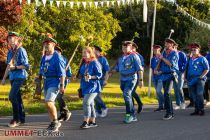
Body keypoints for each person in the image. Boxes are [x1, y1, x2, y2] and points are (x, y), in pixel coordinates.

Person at [1, 32, 29, 127]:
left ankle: (16, 119)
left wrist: (15, 67)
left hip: (20, 76)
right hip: (13, 77)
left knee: (12, 97)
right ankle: (22, 119)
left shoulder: (21, 50)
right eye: (8, 38)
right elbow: (9, 66)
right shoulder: (10, 52)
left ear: (17, 39)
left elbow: (26, 66)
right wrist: (4, 78)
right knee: (17, 98)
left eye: (12, 37)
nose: (10, 39)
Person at [112, 41, 143, 124]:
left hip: (131, 78)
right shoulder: (121, 57)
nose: (124, 48)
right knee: (128, 96)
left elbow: (139, 69)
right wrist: (111, 71)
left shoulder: (134, 56)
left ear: (130, 47)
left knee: (126, 94)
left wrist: (141, 80)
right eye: (123, 47)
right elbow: (118, 68)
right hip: (123, 79)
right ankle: (133, 115)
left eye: (126, 47)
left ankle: (130, 115)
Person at [40, 37, 66, 132]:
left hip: (55, 81)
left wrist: (62, 85)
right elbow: (42, 69)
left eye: (48, 43)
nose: (46, 45)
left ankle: (56, 121)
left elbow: (62, 72)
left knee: (49, 102)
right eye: (45, 44)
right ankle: (52, 122)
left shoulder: (57, 57)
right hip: (46, 81)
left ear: (53, 45)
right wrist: (39, 77)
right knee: (48, 104)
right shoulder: (44, 57)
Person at [155, 38, 179, 120]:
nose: (166, 44)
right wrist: (157, 70)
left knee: (166, 93)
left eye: (168, 43)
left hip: (171, 75)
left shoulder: (174, 53)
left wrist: (162, 58)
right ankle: (170, 112)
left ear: (172, 45)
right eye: (166, 43)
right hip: (163, 75)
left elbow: (170, 64)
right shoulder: (164, 52)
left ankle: (169, 113)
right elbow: (161, 64)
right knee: (166, 94)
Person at [78, 47, 102, 129]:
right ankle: (93, 122)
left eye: (85, 53)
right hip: (85, 87)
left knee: (86, 102)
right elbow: (82, 74)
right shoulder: (84, 63)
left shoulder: (94, 62)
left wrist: (91, 77)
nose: (83, 55)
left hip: (93, 87)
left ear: (90, 53)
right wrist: (78, 76)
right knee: (91, 104)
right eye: (83, 53)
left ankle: (86, 121)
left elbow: (99, 75)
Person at [187, 43, 209, 116]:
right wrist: (185, 77)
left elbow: (207, 69)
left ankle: (201, 109)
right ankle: (196, 110)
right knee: (193, 95)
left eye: (195, 49)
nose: (193, 51)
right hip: (191, 79)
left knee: (199, 94)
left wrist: (201, 76)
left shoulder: (202, 58)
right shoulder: (190, 59)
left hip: (200, 79)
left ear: (198, 50)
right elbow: (187, 68)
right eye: (192, 50)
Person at [54, 46, 72, 121]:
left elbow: (69, 74)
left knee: (58, 96)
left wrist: (65, 77)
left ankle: (66, 111)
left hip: (63, 81)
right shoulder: (52, 59)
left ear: (60, 52)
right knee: (56, 97)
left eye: (57, 52)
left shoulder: (64, 60)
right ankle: (63, 113)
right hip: (54, 81)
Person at [93, 45, 109, 117]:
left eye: (94, 50)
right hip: (93, 80)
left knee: (96, 96)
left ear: (98, 51)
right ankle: (98, 111)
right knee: (95, 95)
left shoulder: (103, 59)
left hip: (100, 80)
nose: (92, 51)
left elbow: (107, 71)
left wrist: (106, 80)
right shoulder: (92, 59)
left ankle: (104, 107)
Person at [173, 44, 187, 110]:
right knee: (175, 89)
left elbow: (185, 63)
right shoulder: (171, 54)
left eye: (174, 47)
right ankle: (178, 104)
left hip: (180, 72)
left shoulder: (182, 54)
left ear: (176, 47)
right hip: (173, 73)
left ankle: (183, 102)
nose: (173, 48)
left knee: (179, 88)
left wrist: (182, 70)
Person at [151, 45, 164, 112]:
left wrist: (160, 72)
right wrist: (153, 74)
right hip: (155, 77)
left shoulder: (162, 58)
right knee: (157, 92)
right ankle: (160, 106)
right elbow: (152, 68)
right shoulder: (153, 59)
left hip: (161, 77)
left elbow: (164, 67)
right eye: (154, 50)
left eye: (156, 50)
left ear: (159, 50)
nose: (155, 51)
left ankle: (166, 103)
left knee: (159, 91)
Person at [131, 42, 144, 113]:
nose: (131, 49)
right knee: (129, 92)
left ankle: (140, 104)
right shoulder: (128, 55)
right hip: (129, 77)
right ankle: (131, 107)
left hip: (137, 76)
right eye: (131, 47)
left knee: (131, 92)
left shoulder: (138, 56)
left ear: (135, 49)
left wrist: (141, 79)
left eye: (133, 48)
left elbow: (142, 68)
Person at [204, 41, 210, 106]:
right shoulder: (208, 54)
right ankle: (208, 100)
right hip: (207, 74)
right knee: (206, 88)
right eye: (209, 45)